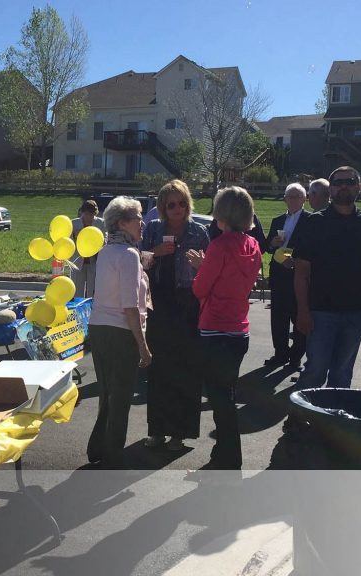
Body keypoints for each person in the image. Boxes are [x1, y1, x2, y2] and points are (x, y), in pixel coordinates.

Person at [188, 186, 262, 470]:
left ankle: (228, 457)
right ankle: (225, 455)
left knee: (220, 399)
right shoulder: (252, 245)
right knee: (226, 394)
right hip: (238, 329)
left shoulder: (219, 246)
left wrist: (200, 268)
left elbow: (200, 289)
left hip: (214, 327)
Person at [292, 166, 361, 390]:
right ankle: (299, 418)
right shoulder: (314, 223)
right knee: (316, 369)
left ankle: (333, 421)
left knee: (342, 372)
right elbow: (301, 271)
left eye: (349, 181)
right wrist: (302, 311)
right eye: (338, 183)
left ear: (359, 186)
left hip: (357, 310)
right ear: (330, 189)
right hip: (321, 311)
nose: (344, 186)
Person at [140, 180, 209, 451]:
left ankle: (180, 432)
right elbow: (138, 262)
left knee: (186, 369)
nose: (177, 209)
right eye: (171, 204)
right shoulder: (154, 229)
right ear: (162, 207)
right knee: (159, 370)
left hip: (188, 304)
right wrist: (154, 253)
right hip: (159, 302)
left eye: (182, 203)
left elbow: (212, 271)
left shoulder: (199, 232)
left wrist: (202, 266)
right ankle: (157, 430)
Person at [86, 196, 151, 469]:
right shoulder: (128, 255)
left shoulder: (106, 251)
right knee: (121, 397)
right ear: (122, 223)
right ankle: (112, 457)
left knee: (107, 392)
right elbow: (129, 306)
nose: (142, 223)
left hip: (99, 328)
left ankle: (98, 447)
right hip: (119, 332)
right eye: (138, 218)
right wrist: (143, 345)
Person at [264, 183, 309, 369]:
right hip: (279, 274)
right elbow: (267, 247)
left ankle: (296, 357)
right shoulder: (277, 220)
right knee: (278, 317)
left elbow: (311, 248)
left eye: (296, 196)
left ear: (304, 199)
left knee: (298, 316)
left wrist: (295, 260)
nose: (292, 200)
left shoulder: (311, 220)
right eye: (289, 196)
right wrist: (273, 243)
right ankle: (280, 353)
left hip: (298, 272)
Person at [69, 200, 106, 298]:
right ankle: (77, 312)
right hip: (77, 262)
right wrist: (74, 235)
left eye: (92, 214)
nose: (90, 217)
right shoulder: (73, 223)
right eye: (87, 214)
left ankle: (92, 312)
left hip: (94, 262)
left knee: (92, 292)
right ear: (82, 212)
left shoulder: (101, 223)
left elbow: (105, 242)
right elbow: (68, 243)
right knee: (77, 292)